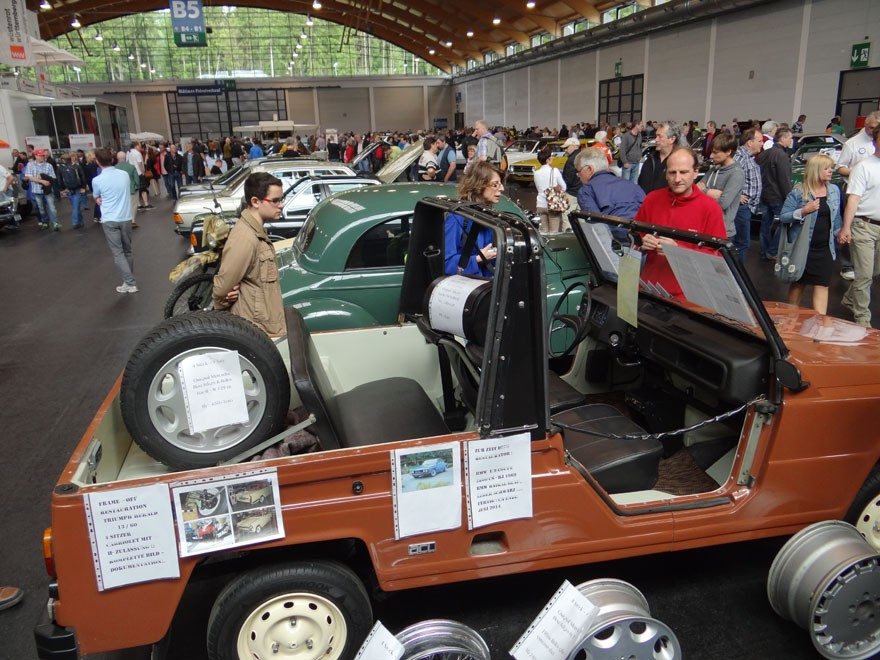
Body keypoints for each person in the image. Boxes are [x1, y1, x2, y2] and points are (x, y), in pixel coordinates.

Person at [635, 148, 727, 299]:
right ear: (666, 174)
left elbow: (717, 259)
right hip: (649, 288)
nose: (677, 179)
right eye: (672, 173)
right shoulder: (652, 199)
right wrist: (642, 242)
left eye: (683, 172)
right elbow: (635, 235)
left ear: (696, 172)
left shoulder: (710, 208)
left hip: (689, 296)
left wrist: (679, 252)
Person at [212, 172, 285, 337]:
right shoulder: (245, 237)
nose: (281, 205)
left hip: (263, 327)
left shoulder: (255, 231)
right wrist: (225, 300)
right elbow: (222, 288)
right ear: (255, 201)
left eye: (281, 199)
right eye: (275, 200)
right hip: (255, 330)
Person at [779, 154, 842, 315]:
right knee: (798, 284)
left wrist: (840, 233)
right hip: (803, 248)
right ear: (816, 170)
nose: (831, 171)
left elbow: (835, 218)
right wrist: (803, 211)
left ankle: (820, 322)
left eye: (831, 168)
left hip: (825, 248)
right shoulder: (799, 192)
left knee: (822, 284)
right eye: (826, 168)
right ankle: (790, 320)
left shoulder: (834, 190)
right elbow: (784, 216)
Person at [837, 122, 880, 327]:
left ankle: (849, 298)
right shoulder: (863, 167)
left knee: (873, 272)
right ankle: (862, 316)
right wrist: (846, 227)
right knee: (864, 275)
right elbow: (853, 199)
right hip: (864, 226)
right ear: (875, 141)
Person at [444, 161, 502, 276]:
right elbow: (446, 264)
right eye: (495, 185)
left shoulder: (486, 215)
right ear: (479, 186)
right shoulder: (456, 218)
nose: (502, 188)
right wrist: (478, 259)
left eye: (500, 184)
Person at [92, 148, 137, 293]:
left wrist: (98, 199)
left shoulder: (97, 180)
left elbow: (96, 196)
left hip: (109, 219)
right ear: (112, 159)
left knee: (118, 253)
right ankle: (128, 281)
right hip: (126, 217)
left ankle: (130, 282)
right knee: (128, 251)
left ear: (97, 162)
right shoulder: (124, 174)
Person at [576, 147, 645, 241]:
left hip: (617, 242)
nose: (579, 177)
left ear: (589, 169)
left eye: (579, 172)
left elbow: (597, 228)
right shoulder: (633, 186)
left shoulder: (586, 191)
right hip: (645, 240)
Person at [755, 127, 794, 260]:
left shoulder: (764, 154)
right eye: (790, 138)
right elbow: (784, 179)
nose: (791, 140)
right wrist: (789, 197)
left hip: (764, 194)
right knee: (785, 224)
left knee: (765, 224)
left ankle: (764, 251)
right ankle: (772, 251)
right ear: (783, 138)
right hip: (777, 195)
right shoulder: (781, 156)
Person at [698, 131, 744, 240]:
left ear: (728, 152)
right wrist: (710, 193)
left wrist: (704, 191)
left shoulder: (736, 174)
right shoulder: (714, 169)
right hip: (705, 227)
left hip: (723, 231)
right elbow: (696, 189)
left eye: (715, 152)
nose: (711, 156)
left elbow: (723, 203)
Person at [731, 128, 764, 260]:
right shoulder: (740, 157)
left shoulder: (747, 157)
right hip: (740, 208)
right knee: (741, 243)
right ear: (750, 143)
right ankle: (735, 271)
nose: (762, 143)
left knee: (742, 243)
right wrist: (737, 196)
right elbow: (729, 177)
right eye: (760, 141)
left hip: (746, 208)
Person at [638, 121, 681, 194]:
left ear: (672, 139)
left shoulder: (679, 162)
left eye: (660, 136)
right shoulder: (650, 159)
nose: (656, 139)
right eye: (656, 136)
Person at [533, 146, 567, 233]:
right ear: (548, 159)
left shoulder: (536, 173)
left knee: (543, 231)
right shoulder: (554, 171)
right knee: (554, 232)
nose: (552, 158)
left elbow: (538, 188)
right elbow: (564, 187)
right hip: (553, 204)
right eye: (551, 157)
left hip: (540, 204)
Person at [24, 149, 59, 230]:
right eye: (41, 155)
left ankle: (55, 223)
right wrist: (42, 181)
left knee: (52, 207)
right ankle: (45, 222)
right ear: (36, 156)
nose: (43, 157)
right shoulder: (30, 165)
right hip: (37, 191)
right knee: (41, 208)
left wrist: (43, 177)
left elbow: (53, 178)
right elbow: (29, 177)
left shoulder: (49, 165)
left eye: (43, 155)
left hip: (48, 190)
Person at [59, 152, 88, 229]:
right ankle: (80, 221)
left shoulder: (60, 168)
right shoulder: (77, 166)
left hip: (68, 189)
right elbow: (83, 177)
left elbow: (59, 180)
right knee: (76, 206)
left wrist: (62, 189)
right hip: (77, 188)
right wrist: (83, 187)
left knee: (75, 206)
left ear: (63, 160)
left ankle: (75, 222)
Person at [115, 151, 140, 229]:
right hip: (132, 189)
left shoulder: (114, 168)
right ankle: (132, 221)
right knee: (133, 205)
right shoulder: (131, 167)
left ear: (117, 158)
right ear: (125, 157)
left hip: (120, 191)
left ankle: (123, 221)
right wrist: (136, 186)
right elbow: (137, 179)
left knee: (122, 206)